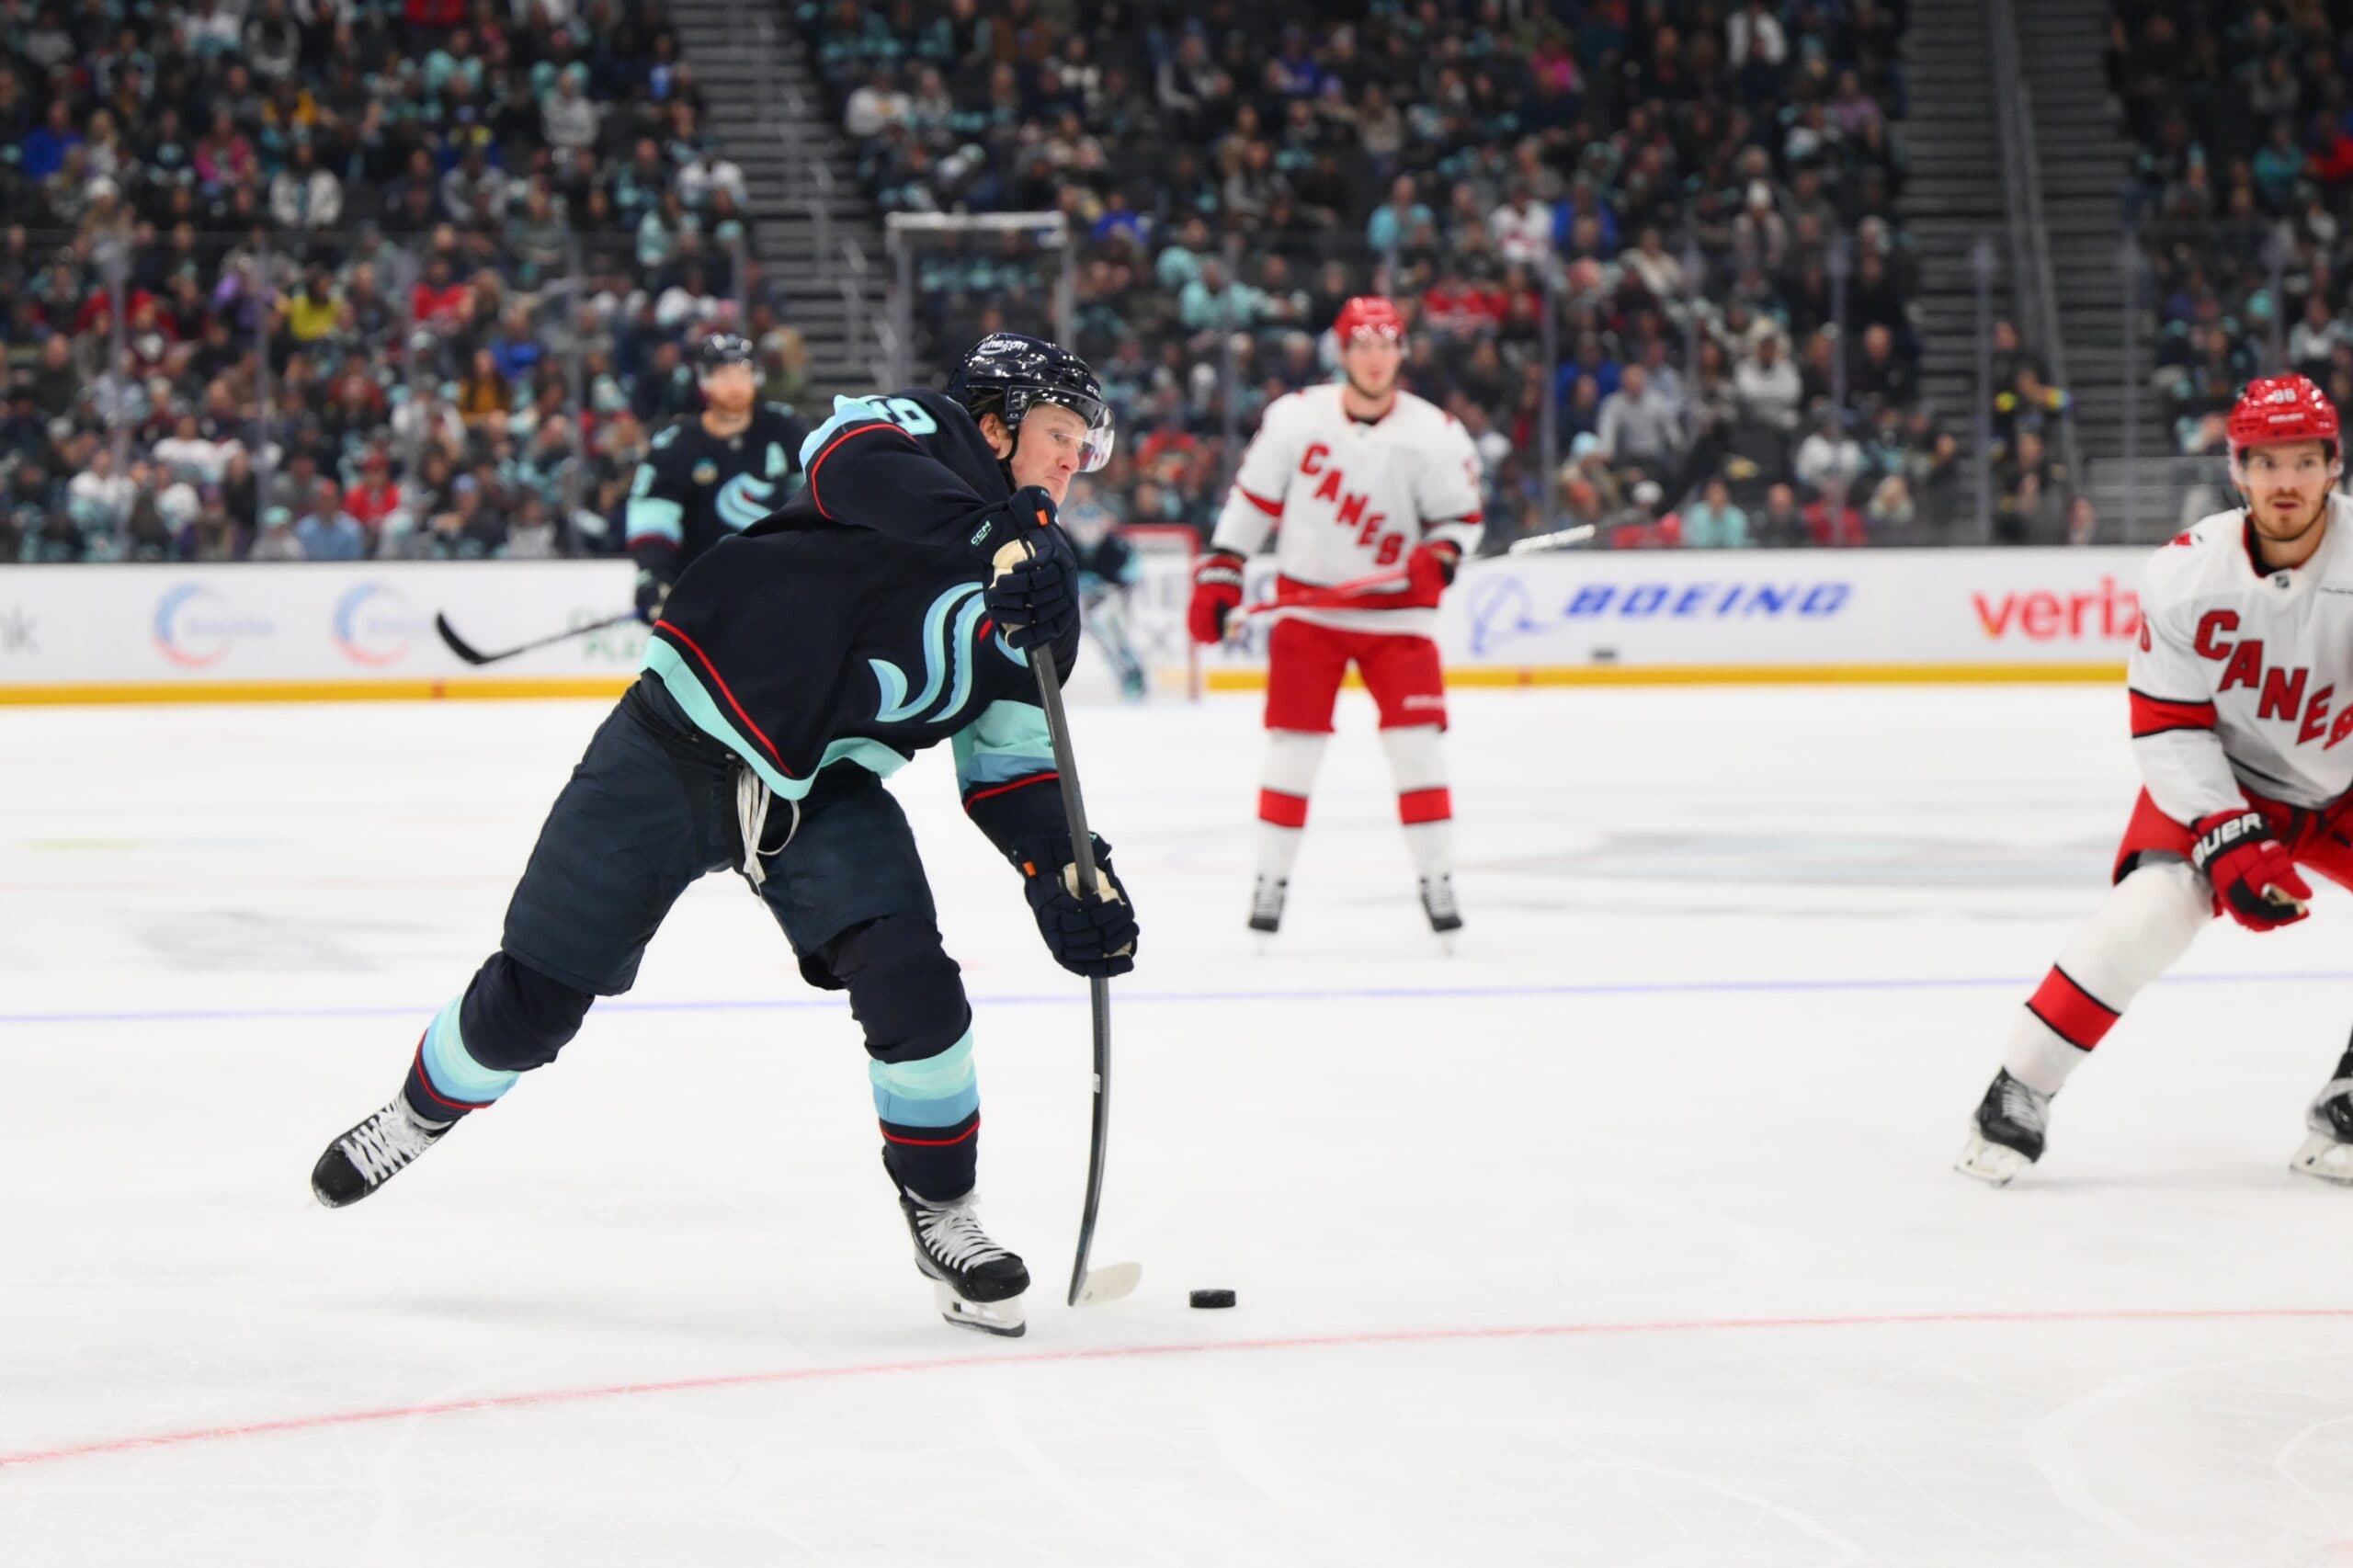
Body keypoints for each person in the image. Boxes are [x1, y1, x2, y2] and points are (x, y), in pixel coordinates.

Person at [309, 334, 1141, 1339]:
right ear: (998, 419)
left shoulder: (1038, 595)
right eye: (1060, 435)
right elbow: (847, 464)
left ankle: (942, 1208)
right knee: (532, 1000)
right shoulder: (919, 431)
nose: (1071, 462)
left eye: (1084, 449)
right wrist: (993, 533)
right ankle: (419, 1111)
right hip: (676, 742)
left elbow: (1012, 765)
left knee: (913, 977)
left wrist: (1062, 868)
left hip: (821, 796)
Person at [1959, 376, 2353, 1187]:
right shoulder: (2185, 575)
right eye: (2266, 462)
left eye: (2304, 462)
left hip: (2345, 786)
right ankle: (2020, 1086)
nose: (2286, 482)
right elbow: (2170, 725)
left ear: (2333, 467)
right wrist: (2227, 828)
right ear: (2236, 469)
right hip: (2231, 779)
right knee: (2157, 907)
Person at [1185, 295, 1485, 939]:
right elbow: (1252, 501)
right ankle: (1270, 883)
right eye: (1363, 346)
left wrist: (1443, 553)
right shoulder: (1296, 420)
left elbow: (1460, 518)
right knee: (1292, 752)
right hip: (1311, 610)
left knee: (1418, 751)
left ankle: (1438, 882)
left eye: (1387, 346)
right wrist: (1222, 569)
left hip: (1398, 619)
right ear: (1343, 353)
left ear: (1401, 352)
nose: (1375, 359)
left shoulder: (1433, 431)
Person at [626, 333, 812, 623]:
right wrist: (653, 576)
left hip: (778, 597)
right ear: (704, 381)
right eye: (724, 375)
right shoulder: (675, 446)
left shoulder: (786, 430)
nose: (735, 384)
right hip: (701, 602)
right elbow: (654, 518)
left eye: (743, 374)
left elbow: (814, 502)